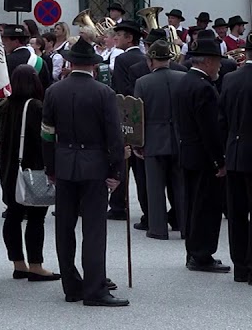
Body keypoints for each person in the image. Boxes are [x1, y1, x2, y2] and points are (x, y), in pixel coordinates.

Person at [41, 38, 128, 307]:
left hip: (65, 163)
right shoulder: (104, 93)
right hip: (94, 165)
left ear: (69, 62)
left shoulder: (54, 91)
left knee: (64, 228)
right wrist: (117, 170)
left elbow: (46, 134)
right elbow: (113, 135)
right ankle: (94, 288)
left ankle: (71, 285)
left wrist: (51, 168)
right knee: (93, 230)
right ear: (93, 64)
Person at [0, 65, 59, 281]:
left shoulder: (4, 105)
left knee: (13, 214)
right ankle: (35, 264)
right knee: (35, 218)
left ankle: (18, 263)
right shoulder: (36, 107)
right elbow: (42, 139)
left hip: (9, 167)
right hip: (32, 167)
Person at [176, 36, 231, 274]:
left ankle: (193, 251)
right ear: (208, 61)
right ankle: (202, 255)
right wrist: (219, 161)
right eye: (217, 61)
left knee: (192, 205)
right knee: (206, 207)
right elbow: (210, 130)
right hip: (204, 157)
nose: (219, 66)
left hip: (188, 153)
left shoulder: (184, 82)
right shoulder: (204, 88)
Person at [133, 39, 186, 240]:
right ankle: (184, 225)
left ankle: (158, 228)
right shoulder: (183, 78)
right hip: (179, 139)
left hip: (154, 140)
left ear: (151, 60)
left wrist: (138, 143)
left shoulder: (143, 83)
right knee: (181, 186)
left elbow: (138, 116)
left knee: (154, 188)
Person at [221, 53, 252, 283]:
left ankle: (241, 266)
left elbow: (222, 120)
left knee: (237, 213)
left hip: (235, 152)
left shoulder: (230, 79)